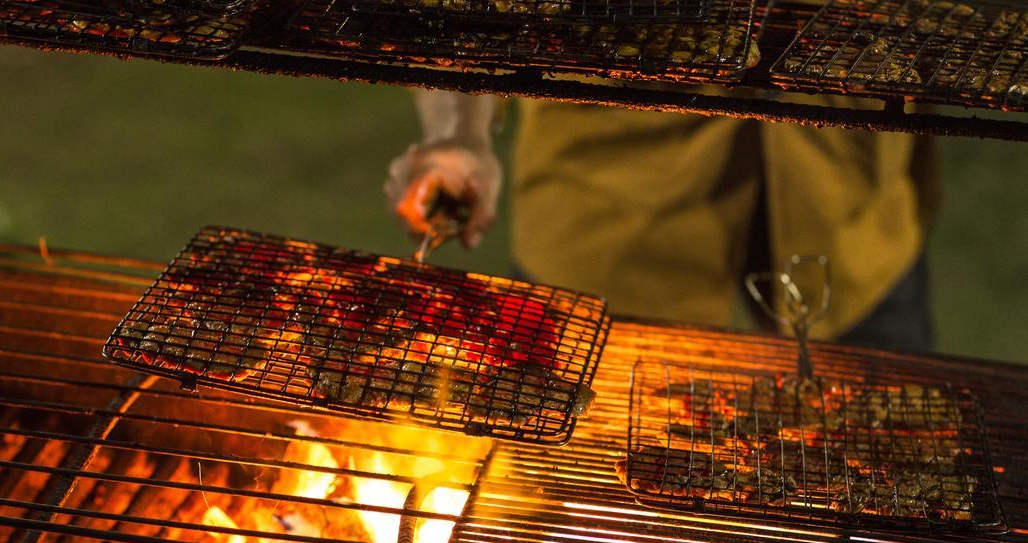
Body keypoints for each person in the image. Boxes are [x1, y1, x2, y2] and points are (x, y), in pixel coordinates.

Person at [384, 91, 938, 351]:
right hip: (604, 221)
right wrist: (457, 130)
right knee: (567, 518)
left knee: (886, 507)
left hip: (853, 203)